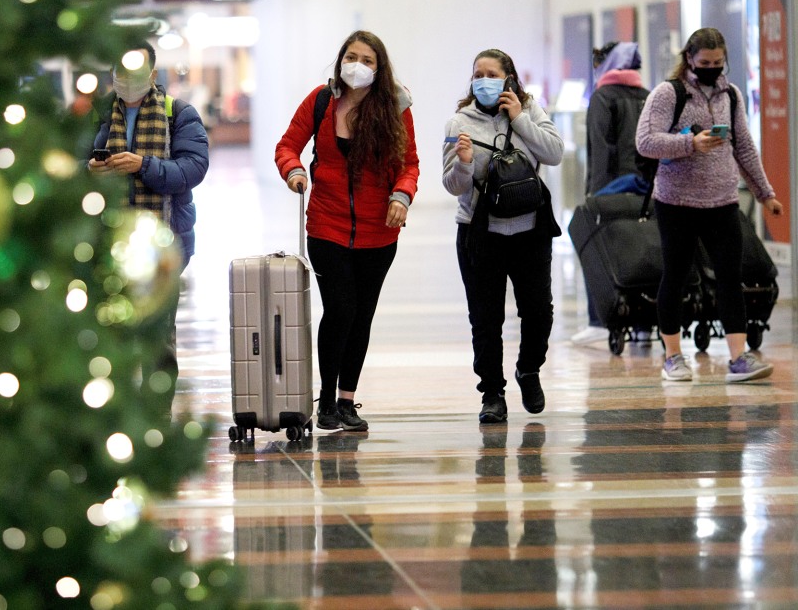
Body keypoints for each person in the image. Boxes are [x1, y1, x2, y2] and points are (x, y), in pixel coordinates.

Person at [274, 30, 419, 432]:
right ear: (340, 61)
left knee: (362, 315)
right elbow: (287, 145)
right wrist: (295, 171)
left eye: (368, 60)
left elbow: (410, 163)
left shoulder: (396, 108)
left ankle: (347, 402)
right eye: (351, 57)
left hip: (379, 233)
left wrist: (401, 197)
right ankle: (325, 404)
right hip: (327, 227)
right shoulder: (321, 102)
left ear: (380, 67)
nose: (358, 65)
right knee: (341, 309)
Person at [635, 27, 784, 383]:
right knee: (676, 275)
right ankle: (672, 356)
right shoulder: (667, 94)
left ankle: (739, 357)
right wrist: (689, 145)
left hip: (722, 201)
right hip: (676, 202)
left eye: (718, 63)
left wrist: (765, 194)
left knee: (731, 277)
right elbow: (645, 142)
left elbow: (744, 148)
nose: (711, 68)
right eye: (705, 62)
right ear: (689, 58)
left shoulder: (730, 95)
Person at [442, 48, 563, 424]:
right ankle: (492, 393)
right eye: (478, 73)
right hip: (481, 234)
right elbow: (450, 185)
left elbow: (555, 153)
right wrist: (462, 164)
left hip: (530, 230)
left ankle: (529, 371)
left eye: (491, 73)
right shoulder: (457, 122)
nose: (483, 80)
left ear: (509, 78)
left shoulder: (533, 111)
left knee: (538, 312)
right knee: (485, 318)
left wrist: (520, 118)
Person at [89, 42, 209, 397]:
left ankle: (158, 416)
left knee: (159, 335)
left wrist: (143, 165)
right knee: (111, 336)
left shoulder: (178, 113)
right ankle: (118, 415)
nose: (127, 79)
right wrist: (89, 170)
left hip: (164, 243)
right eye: (121, 71)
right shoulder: (98, 115)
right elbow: (70, 161)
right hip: (108, 242)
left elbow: (194, 168)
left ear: (154, 75)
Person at [572, 41, 652, 346]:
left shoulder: (603, 97)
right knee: (642, 250)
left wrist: (594, 196)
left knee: (599, 250)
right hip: (646, 189)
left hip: (611, 189)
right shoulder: (647, 96)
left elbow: (600, 151)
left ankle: (599, 320)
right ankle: (644, 322)